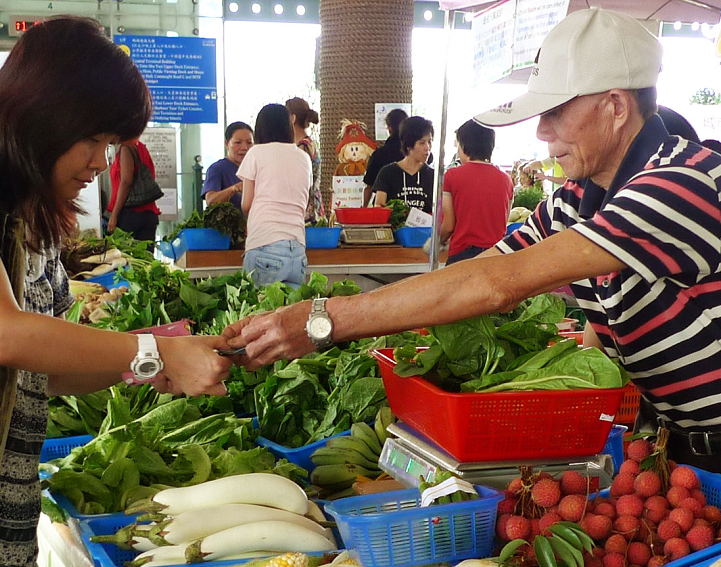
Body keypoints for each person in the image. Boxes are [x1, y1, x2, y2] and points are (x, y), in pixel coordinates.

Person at [225, 9, 721, 472]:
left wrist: (323, 320)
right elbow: (483, 266)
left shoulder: (680, 184)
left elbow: (497, 283)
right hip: (673, 445)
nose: (542, 131)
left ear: (614, 106)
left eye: (556, 112)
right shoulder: (576, 199)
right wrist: (378, 330)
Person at [0, 17, 232, 565]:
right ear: (40, 112)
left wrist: (163, 361)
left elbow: (51, 369)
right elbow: (0, 333)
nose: (101, 163)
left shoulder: (32, 213)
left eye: (111, 144)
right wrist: (153, 350)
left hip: (4, 518)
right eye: (92, 139)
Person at [237, 103, 311, 289]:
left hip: (264, 243)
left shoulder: (256, 153)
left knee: (260, 314)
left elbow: (246, 204)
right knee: (291, 315)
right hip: (297, 248)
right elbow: (303, 200)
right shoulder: (304, 157)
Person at [440, 119, 513, 265]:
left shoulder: (451, 176)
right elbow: (503, 221)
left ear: (464, 146)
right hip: (496, 256)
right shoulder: (506, 180)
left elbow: (448, 225)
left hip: (462, 256)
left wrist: (436, 242)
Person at [372, 116, 434, 215]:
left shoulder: (433, 176)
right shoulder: (387, 173)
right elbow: (379, 208)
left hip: (426, 230)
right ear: (408, 145)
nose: (427, 147)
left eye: (429, 142)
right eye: (422, 143)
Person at [106, 138, 160, 249]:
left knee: (125, 260)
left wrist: (114, 216)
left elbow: (126, 182)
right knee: (146, 262)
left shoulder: (126, 148)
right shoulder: (141, 147)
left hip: (129, 215)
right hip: (149, 215)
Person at [285, 97, 325, 223]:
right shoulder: (309, 143)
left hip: (306, 206)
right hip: (313, 202)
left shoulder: (302, 146)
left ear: (293, 118)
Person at [202, 121, 253, 211]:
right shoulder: (217, 169)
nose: (244, 147)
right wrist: (234, 189)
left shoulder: (256, 168)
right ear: (227, 144)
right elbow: (211, 201)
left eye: (249, 143)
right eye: (238, 142)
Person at [362, 108, 407, 206]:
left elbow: (369, 186)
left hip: (384, 207)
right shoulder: (412, 153)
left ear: (389, 128)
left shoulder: (379, 154)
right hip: (412, 206)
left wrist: (364, 207)